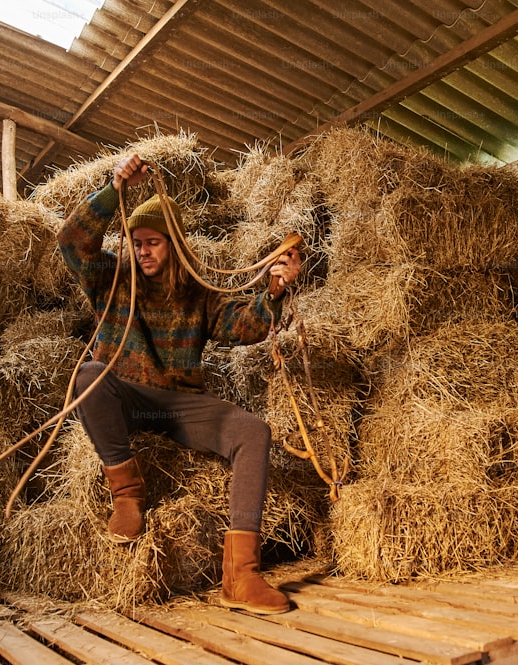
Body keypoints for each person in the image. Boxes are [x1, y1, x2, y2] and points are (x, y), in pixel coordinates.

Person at [56, 154, 301, 615]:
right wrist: (114, 191)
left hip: (180, 404)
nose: (143, 251)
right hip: (127, 396)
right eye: (137, 242)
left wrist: (274, 292)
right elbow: (71, 242)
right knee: (89, 375)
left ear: (174, 245)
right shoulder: (111, 277)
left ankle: (241, 574)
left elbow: (243, 326)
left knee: (254, 433)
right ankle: (128, 495)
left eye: (153, 243)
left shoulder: (197, 292)